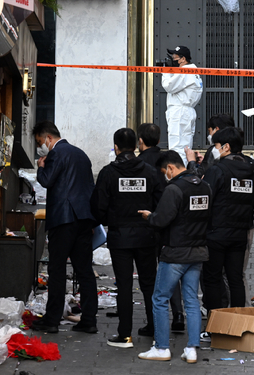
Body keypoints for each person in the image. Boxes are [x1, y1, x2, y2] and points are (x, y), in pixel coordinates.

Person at [137, 150, 212, 363]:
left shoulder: (174, 189)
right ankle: (192, 349)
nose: (165, 177)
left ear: (170, 168)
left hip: (175, 252)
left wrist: (149, 216)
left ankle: (161, 348)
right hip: (198, 252)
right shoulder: (205, 187)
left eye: (164, 172)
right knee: (191, 301)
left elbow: (162, 220)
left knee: (160, 299)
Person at [91, 128, 163, 348]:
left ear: (116, 147)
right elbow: (161, 202)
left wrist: (110, 219)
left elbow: (97, 207)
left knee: (123, 285)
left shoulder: (108, 173)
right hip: (146, 236)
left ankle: (124, 334)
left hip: (120, 237)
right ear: (135, 145)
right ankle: (154, 327)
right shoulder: (150, 172)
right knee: (149, 283)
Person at [30, 121, 98, 334]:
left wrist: (41, 168)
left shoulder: (56, 154)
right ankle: (89, 320)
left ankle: (52, 320)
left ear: (48, 138)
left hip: (63, 219)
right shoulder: (81, 154)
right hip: (84, 218)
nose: (40, 147)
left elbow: (48, 180)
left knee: (57, 270)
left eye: (40, 142)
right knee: (84, 270)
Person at [202, 127, 254, 309]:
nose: (215, 149)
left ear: (226, 147)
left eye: (217, 146)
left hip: (217, 233)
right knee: (235, 278)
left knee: (212, 279)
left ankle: (216, 324)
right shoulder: (253, 166)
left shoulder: (217, 170)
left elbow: (207, 197)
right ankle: (238, 322)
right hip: (240, 232)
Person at [137, 123, 185, 333]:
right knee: (171, 271)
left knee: (151, 275)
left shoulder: (138, 164)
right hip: (168, 224)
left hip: (146, 224)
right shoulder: (167, 161)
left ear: (141, 141)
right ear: (158, 140)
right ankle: (178, 315)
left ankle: (155, 320)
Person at [162, 46, 203, 165]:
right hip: (186, 112)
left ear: (183, 59)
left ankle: (178, 177)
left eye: (174, 58)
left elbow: (168, 85)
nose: (172, 60)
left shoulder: (185, 71)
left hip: (179, 112)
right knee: (185, 147)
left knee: (177, 147)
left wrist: (165, 71)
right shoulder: (193, 72)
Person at [185, 113, 235, 178]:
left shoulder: (213, 150)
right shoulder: (236, 147)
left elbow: (197, 176)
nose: (210, 135)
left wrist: (191, 161)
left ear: (216, 130)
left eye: (209, 131)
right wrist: (205, 162)